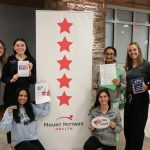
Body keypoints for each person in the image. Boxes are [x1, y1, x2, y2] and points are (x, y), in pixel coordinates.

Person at [1, 37, 36, 149]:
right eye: (17, 45)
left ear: (25, 47)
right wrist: (11, 79)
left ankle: (23, 142)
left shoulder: (30, 60)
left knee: (22, 118)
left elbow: (33, 80)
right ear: (14, 47)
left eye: (22, 45)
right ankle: (11, 143)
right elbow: (3, 78)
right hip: (10, 95)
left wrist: (30, 72)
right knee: (11, 118)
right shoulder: (9, 59)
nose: (20, 47)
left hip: (23, 96)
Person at [124, 42, 150, 150]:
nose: (132, 52)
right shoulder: (128, 66)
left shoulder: (146, 64)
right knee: (128, 128)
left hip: (141, 101)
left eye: (134, 50)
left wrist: (147, 87)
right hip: (129, 100)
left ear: (138, 50)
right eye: (130, 50)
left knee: (138, 129)